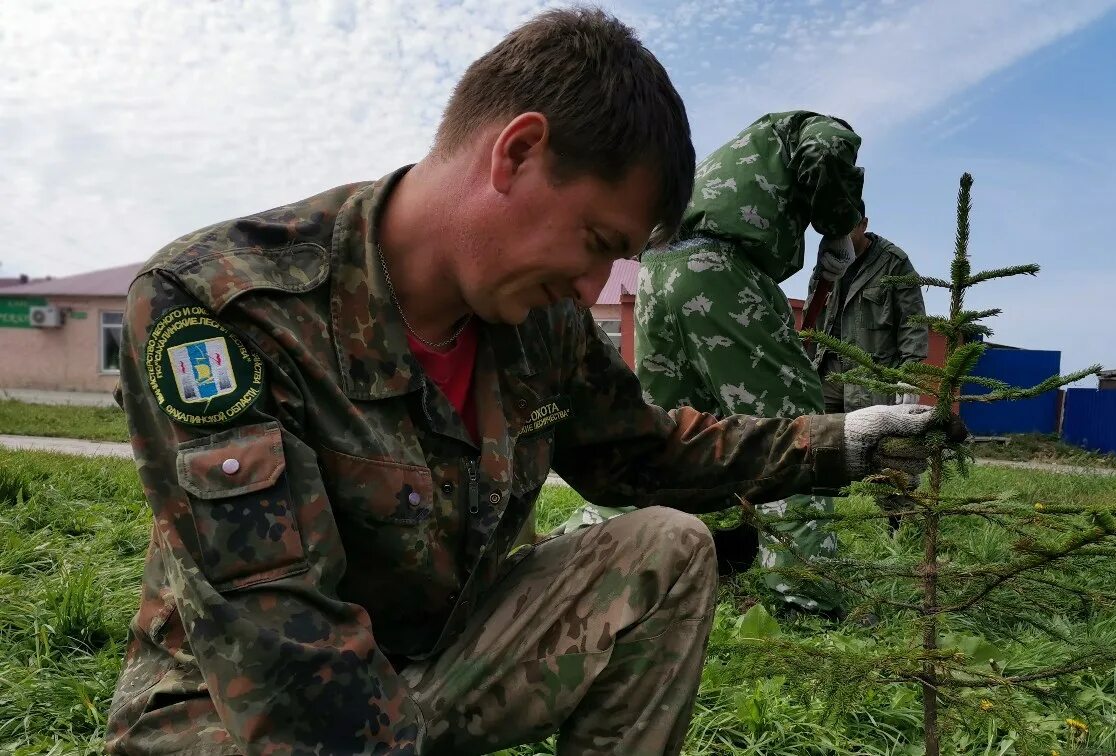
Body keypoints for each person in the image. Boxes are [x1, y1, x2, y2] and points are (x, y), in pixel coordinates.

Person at [104, 9, 954, 755]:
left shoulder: (539, 324)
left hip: (431, 671)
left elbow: (647, 455)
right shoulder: (222, 305)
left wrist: (845, 439)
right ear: (517, 152)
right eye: (595, 241)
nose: (593, 289)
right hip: (237, 719)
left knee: (668, 545)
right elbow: (280, 634)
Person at [566, 111, 864, 614]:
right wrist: (837, 229)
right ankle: (803, 591)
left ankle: (584, 545)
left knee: (667, 434)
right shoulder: (807, 127)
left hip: (657, 274)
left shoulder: (738, 159)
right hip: (717, 273)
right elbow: (830, 149)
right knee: (794, 424)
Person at [802, 207, 928, 412]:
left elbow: (913, 321)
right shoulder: (829, 259)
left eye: (849, 228)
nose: (842, 236)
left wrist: (909, 374)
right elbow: (811, 318)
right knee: (819, 437)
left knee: (867, 440)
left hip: (871, 378)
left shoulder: (893, 263)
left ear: (864, 224)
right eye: (837, 229)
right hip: (826, 373)